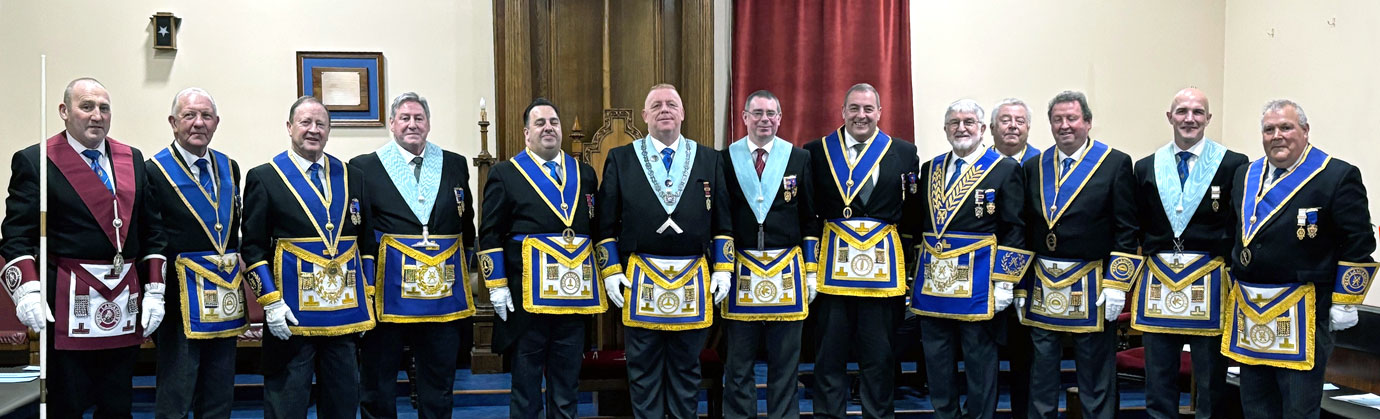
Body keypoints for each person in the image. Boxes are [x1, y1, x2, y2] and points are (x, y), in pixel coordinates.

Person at [0, 77, 167, 418]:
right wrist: (27, 291)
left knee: (118, 403)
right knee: (68, 403)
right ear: (64, 111)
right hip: (66, 304)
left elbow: (153, 231)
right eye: (86, 106)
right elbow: (17, 235)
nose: (96, 116)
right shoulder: (36, 161)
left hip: (124, 302)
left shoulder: (132, 159)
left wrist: (155, 290)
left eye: (104, 108)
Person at [1225, 99, 1375, 419]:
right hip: (1250, 312)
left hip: (1305, 311)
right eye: (1269, 129)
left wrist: (1345, 300)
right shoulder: (1244, 175)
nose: (1277, 135)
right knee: (1255, 407)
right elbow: (1234, 234)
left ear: (1305, 132)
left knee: (1297, 409)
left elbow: (1360, 243)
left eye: (1286, 127)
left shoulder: (1336, 175)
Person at [597, 83, 733, 418]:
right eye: (656, 105)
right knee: (643, 371)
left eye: (671, 104)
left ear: (683, 113)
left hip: (693, 281)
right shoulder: (622, 158)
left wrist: (724, 270)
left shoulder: (709, 158)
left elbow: (723, 223)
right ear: (644, 116)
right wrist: (612, 272)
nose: (664, 109)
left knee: (687, 371)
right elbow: (604, 225)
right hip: (640, 278)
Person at [241, 95, 375, 418]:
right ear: (289, 128)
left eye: (321, 124)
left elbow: (366, 242)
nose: (313, 130)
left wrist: (367, 294)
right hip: (291, 319)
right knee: (287, 405)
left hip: (343, 319)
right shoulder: (265, 176)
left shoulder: (351, 176)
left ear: (329, 131)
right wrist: (270, 301)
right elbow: (253, 247)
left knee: (343, 404)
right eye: (305, 123)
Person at [351, 92, 477, 419]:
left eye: (418, 118)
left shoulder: (454, 163)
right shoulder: (364, 167)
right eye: (404, 118)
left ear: (429, 124)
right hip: (387, 290)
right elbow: (359, 231)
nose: (412, 124)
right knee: (378, 377)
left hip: (442, 290)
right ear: (392, 124)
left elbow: (466, 223)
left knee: (439, 376)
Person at [1016, 90, 1140, 419]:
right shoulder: (1034, 166)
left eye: (1072, 118)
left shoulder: (1114, 163)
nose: (1065, 125)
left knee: (1096, 374)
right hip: (1042, 285)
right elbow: (1025, 229)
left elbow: (1126, 229)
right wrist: (1017, 284)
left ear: (1088, 122)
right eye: (1057, 119)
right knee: (1040, 374)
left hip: (1093, 284)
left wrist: (1118, 284)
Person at [479, 97, 603, 418]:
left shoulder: (585, 174)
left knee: (566, 388)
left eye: (553, 122)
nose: (548, 128)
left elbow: (596, 227)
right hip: (526, 302)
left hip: (574, 298)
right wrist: (497, 284)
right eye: (540, 123)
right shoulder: (506, 174)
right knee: (526, 388)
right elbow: (490, 233)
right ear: (526, 133)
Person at [906, 99, 1030, 419]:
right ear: (945, 129)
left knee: (979, 363)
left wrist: (1005, 281)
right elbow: (920, 225)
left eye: (968, 122)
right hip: (934, 283)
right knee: (936, 360)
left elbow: (1015, 229)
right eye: (954, 123)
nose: (961, 128)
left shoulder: (1004, 168)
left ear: (981, 128)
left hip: (978, 284)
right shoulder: (930, 168)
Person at [803, 82, 919, 418]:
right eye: (854, 108)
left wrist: (909, 266)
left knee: (879, 357)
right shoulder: (817, 151)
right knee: (829, 356)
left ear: (880, 113)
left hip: (883, 274)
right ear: (842, 112)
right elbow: (809, 214)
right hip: (832, 271)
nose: (861, 115)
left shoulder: (904, 152)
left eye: (868, 109)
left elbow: (910, 213)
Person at [1130, 88, 1246, 419]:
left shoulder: (1234, 164)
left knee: (1210, 380)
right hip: (1158, 282)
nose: (1189, 118)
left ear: (1208, 119)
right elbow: (1138, 225)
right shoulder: (1146, 167)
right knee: (1159, 378)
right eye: (1182, 111)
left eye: (1197, 112)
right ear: (1170, 117)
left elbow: (1238, 225)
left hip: (1208, 279)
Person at [145, 87, 247, 419]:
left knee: (219, 392)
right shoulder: (153, 170)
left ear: (216, 122)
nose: (198, 123)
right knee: (177, 391)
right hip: (179, 301)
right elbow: (152, 237)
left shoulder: (230, 167)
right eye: (190, 115)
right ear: (174, 122)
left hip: (225, 296)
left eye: (206, 116)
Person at [719, 90, 818, 419]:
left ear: (780, 118)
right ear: (744, 117)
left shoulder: (799, 158)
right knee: (738, 364)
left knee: (785, 364)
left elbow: (809, 219)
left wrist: (812, 269)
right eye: (757, 113)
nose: (765, 119)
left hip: (787, 270)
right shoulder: (726, 158)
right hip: (741, 268)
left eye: (771, 114)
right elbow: (721, 217)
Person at [990, 98, 1040, 164]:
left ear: (1028, 128)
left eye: (1020, 121)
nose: (1013, 125)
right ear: (992, 128)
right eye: (1005, 120)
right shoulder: (981, 161)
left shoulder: (1040, 162)